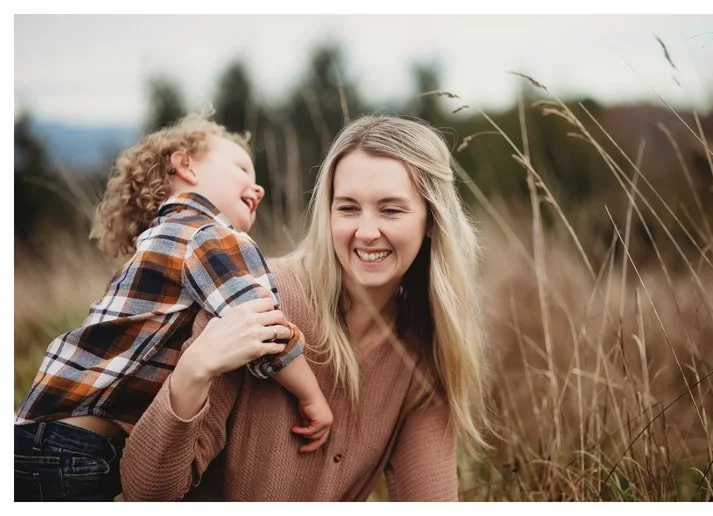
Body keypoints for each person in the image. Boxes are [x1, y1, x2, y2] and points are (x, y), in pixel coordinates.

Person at [119, 115, 490, 501]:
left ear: (432, 219)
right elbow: (147, 494)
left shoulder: (423, 353)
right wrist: (192, 372)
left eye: (391, 210)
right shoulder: (257, 299)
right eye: (347, 208)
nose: (365, 232)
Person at [14, 114, 333, 502]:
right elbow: (260, 324)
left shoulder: (162, 238)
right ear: (185, 166)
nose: (259, 186)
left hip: (44, 439)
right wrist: (312, 397)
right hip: (69, 450)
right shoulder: (207, 233)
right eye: (241, 168)